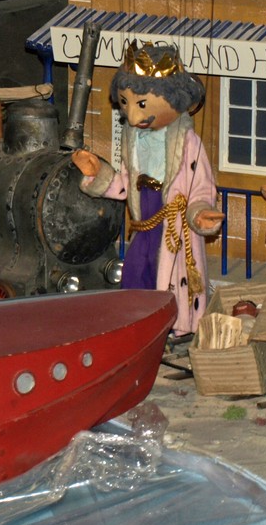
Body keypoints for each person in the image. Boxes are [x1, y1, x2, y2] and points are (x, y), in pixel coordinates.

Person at [72, 42, 223, 334]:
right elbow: (124, 183)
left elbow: (201, 187)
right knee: (135, 269)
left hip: (174, 222)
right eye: (125, 103)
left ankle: (173, 325)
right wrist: (99, 173)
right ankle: (136, 324)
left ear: (174, 99)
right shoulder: (133, 139)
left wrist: (201, 211)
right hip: (144, 219)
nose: (132, 116)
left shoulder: (188, 143)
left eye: (141, 104)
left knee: (168, 274)